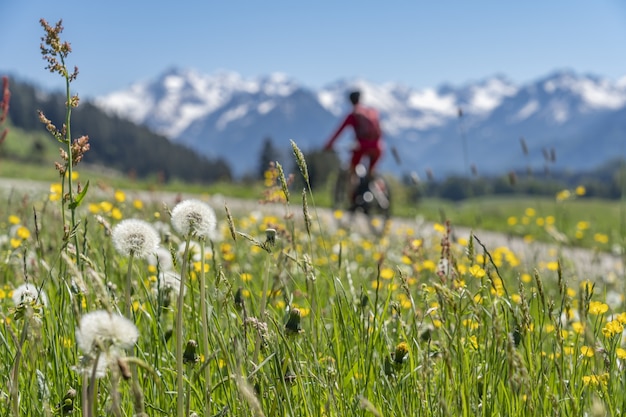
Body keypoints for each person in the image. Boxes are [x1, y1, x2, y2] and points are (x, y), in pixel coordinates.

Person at [323, 90, 385, 207]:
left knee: (352, 172)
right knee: (371, 174)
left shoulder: (353, 114)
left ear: (350, 101)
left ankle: (352, 201)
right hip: (378, 146)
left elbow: (339, 131)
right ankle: (382, 198)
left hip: (362, 147)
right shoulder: (371, 111)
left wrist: (329, 144)